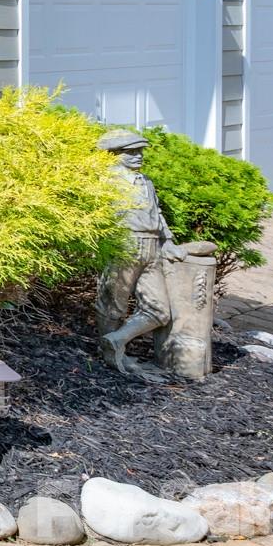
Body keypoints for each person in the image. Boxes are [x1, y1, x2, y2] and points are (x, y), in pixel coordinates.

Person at [96, 128, 183, 380]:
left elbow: (158, 215)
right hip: (124, 244)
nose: (138, 156)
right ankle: (109, 353)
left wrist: (167, 241)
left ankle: (115, 340)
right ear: (113, 155)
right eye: (130, 152)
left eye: (140, 151)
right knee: (113, 302)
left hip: (152, 247)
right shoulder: (107, 182)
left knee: (159, 310)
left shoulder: (146, 182)